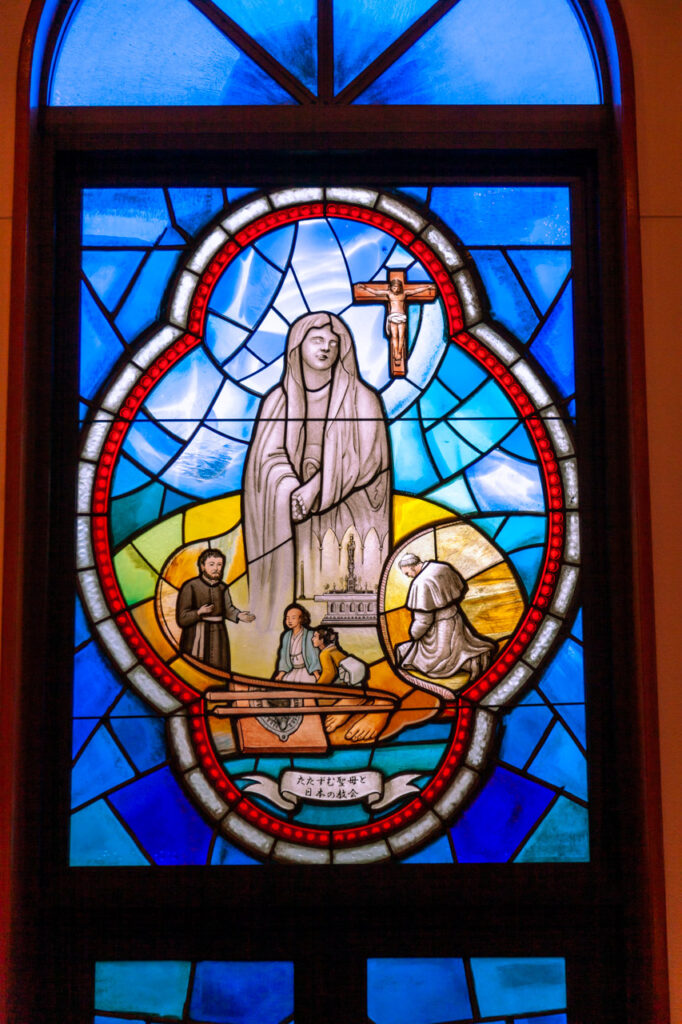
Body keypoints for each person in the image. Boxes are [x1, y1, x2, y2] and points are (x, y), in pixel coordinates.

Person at [242, 312, 390, 646]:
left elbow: (368, 457)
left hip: (350, 512)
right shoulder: (278, 401)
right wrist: (291, 490)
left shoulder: (361, 398)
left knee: (345, 591)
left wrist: (316, 488)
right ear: (297, 347)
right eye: (317, 340)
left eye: (334, 343)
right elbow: (264, 463)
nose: (326, 348)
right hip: (294, 515)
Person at [395, 553, 495, 680]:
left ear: (412, 567)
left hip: (438, 628)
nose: (408, 576)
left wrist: (414, 634)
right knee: (455, 650)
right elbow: (460, 588)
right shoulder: (442, 567)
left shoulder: (420, 583)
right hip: (456, 618)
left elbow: (424, 620)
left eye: (407, 573)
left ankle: (471, 663)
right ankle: (476, 658)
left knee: (435, 662)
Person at [176, 548, 255, 672]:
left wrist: (239, 615)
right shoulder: (190, 586)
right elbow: (182, 618)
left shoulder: (222, 587)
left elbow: (228, 609)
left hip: (218, 634)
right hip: (196, 634)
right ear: (202, 566)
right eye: (211, 564)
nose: (216, 568)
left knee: (219, 667)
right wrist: (199, 612)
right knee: (194, 670)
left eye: (219, 564)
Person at [274, 604, 321, 684]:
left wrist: (317, 675)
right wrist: (281, 674)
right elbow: (284, 657)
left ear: (301, 619)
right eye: (287, 618)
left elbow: (313, 656)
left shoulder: (309, 635)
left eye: (293, 618)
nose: (289, 621)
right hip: (292, 671)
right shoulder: (286, 636)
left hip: (306, 671)